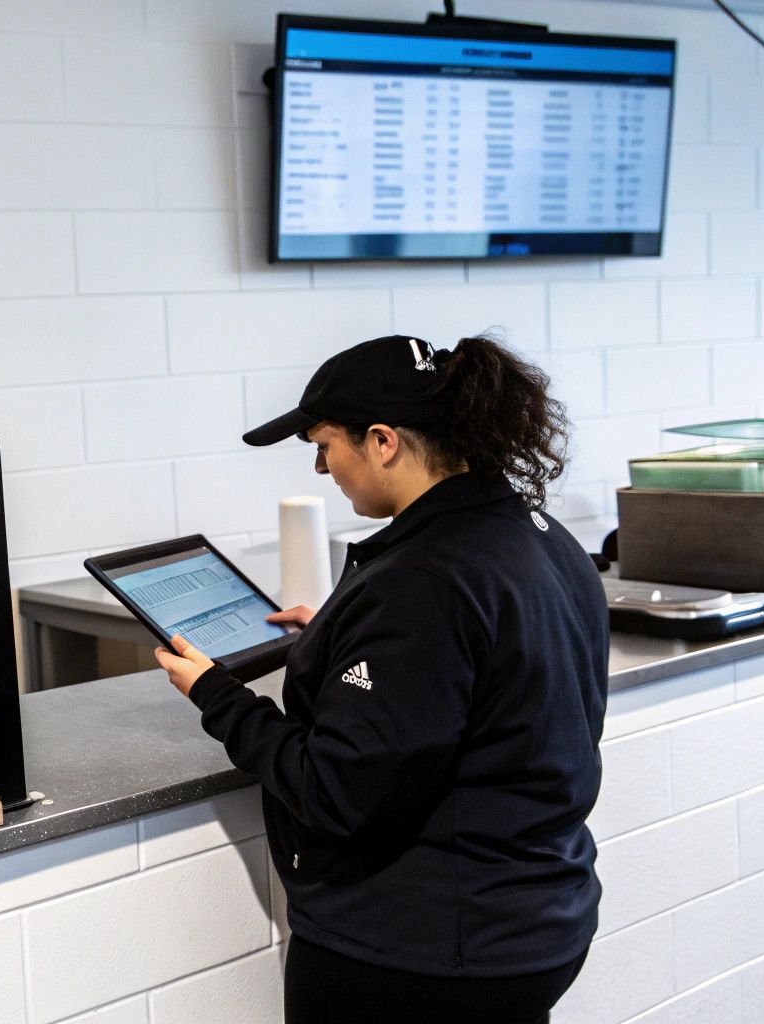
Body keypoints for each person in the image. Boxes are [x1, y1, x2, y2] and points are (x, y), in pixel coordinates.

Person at [155, 334, 608, 1024]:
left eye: (324, 444)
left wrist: (218, 697)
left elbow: (337, 792)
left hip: (422, 951)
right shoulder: (536, 532)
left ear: (382, 441)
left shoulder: (422, 582)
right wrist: (343, 635)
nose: (320, 467)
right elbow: (480, 671)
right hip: (536, 924)